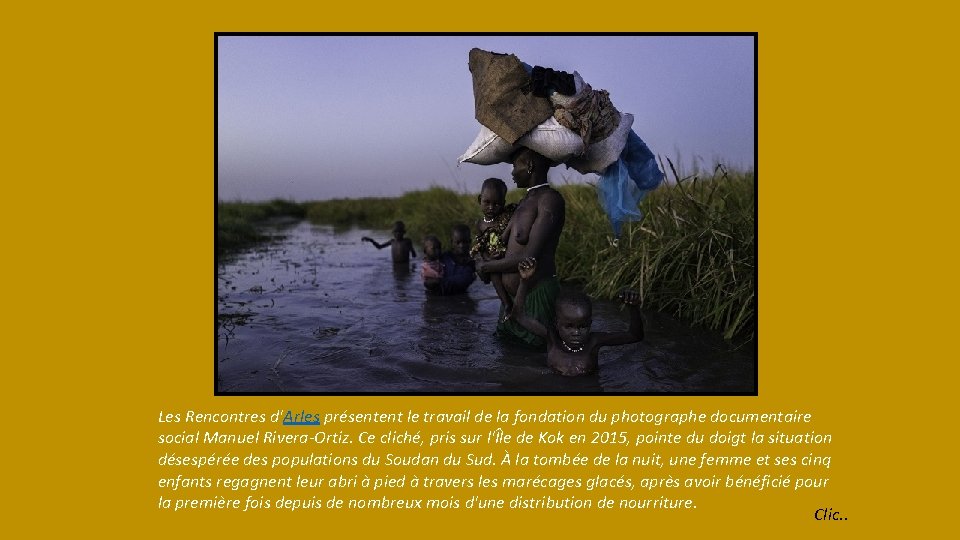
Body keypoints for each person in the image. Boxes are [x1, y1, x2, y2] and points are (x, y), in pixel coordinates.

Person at [475, 148, 565, 349]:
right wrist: (485, 259)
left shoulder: (549, 200)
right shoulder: (523, 202)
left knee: (539, 360)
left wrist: (487, 267)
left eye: (515, 166)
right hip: (511, 301)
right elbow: (503, 247)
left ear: (530, 166)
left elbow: (529, 258)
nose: (513, 172)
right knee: (508, 360)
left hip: (535, 296)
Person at [511, 257, 644, 376]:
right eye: (569, 326)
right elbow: (518, 316)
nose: (576, 333)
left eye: (583, 326)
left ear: (590, 323)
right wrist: (524, 281)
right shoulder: (552, 338)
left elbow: (634, 336)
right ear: (557, 323)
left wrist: (633, 308)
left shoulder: (594, 342)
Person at [470, 178, 517, 318]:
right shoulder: (480, 224)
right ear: (480, 200)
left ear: (504, 203)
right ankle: (507, 303)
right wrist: (489, 259)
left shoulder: (505, 218)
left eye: (497, 204)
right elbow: (481, 247)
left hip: (507, 255)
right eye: (487, 202)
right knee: (494, 274)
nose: (491, 207)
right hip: (492, 259)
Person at [424, 225, 476, 295]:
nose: (461, 245)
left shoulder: (472, 262)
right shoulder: (444, 257)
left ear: (470, 242)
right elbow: (428, 275)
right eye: (458, 242)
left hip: (460, 296)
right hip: (438, 297)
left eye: (465, 242)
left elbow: (465, 279)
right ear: (452, 242)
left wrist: (440, 281)